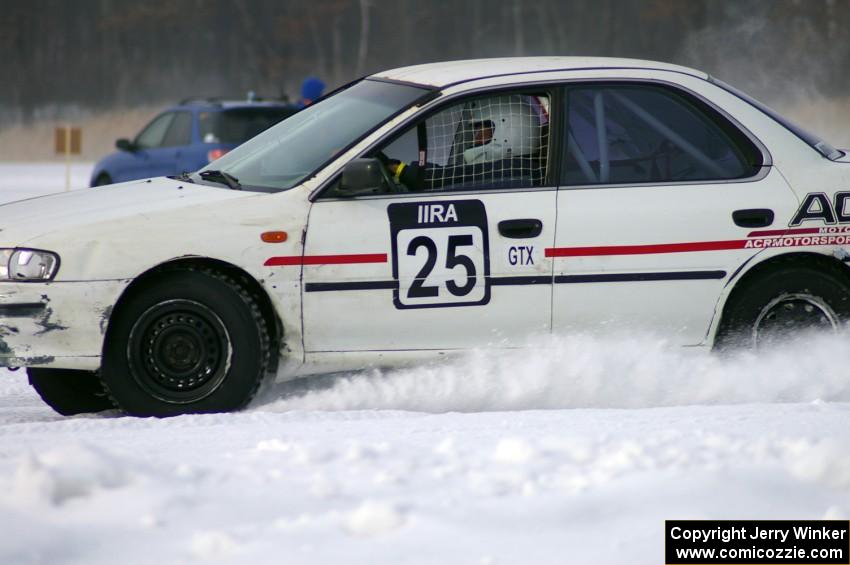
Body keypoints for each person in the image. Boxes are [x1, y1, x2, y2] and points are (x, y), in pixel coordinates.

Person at [381, 94, 547, 192]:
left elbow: (459, 176)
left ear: (506, 132)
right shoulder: (522, 168)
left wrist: (406, 172)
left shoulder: (519, 170)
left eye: (480, 132)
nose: (474, 140)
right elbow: (457, 172)